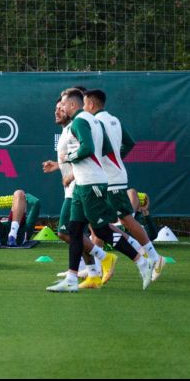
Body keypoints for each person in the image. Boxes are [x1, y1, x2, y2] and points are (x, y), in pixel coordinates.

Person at [47, 88, 151, 293]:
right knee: (74, 230)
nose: (62, 107)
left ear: (73, 105)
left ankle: (140, 261)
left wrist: (70, 159)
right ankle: (71, 278)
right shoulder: (92, 120)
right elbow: (103, 149)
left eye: (65, 104)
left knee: (102, 230)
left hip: (91, 184)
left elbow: (86, 148)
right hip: (84, 184)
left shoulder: (79, 121)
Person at [83, 89, 165, 281]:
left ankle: (154, 257)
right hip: (112, 176)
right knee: (98, 224)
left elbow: (95, 150)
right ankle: (95, 270)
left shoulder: (96, 122)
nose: (84, 108)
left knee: (126, 219)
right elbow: (129, 143)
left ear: (91, 105)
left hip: (110, 179)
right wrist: (117, 160)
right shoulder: (114, 120)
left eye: (85, 104)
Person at [42, 98, 117, 289]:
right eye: (56, 108)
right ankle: (90, 273)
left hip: (80, 187)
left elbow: (89, 155)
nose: (57, 111)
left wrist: (73, 175)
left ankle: (109, 258)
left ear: (71, 108)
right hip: (76, 187)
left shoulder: (77, 126)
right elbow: (77, 157)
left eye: (61, 108)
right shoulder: (68, 130)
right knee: (77, 231)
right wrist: (58, 165)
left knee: (68, 231)